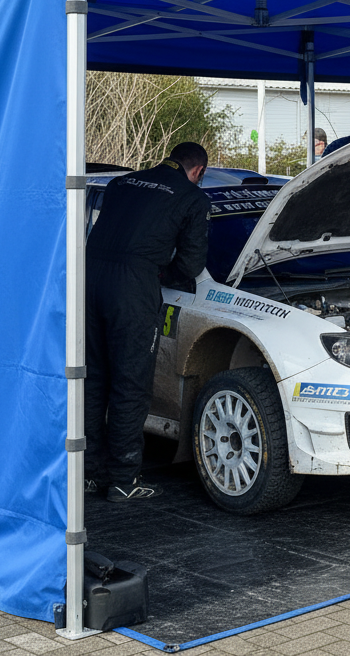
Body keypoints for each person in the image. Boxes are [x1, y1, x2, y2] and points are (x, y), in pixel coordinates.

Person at [85, 143, 211, 502]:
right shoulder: (192, 199)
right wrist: (161, 272)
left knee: (92, 379)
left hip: (88, 281)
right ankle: (124, 480)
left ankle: (88, 475)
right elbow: (189, 266)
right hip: (131, 288)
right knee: (130, 382)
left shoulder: (122, 184)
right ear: (198, 171)